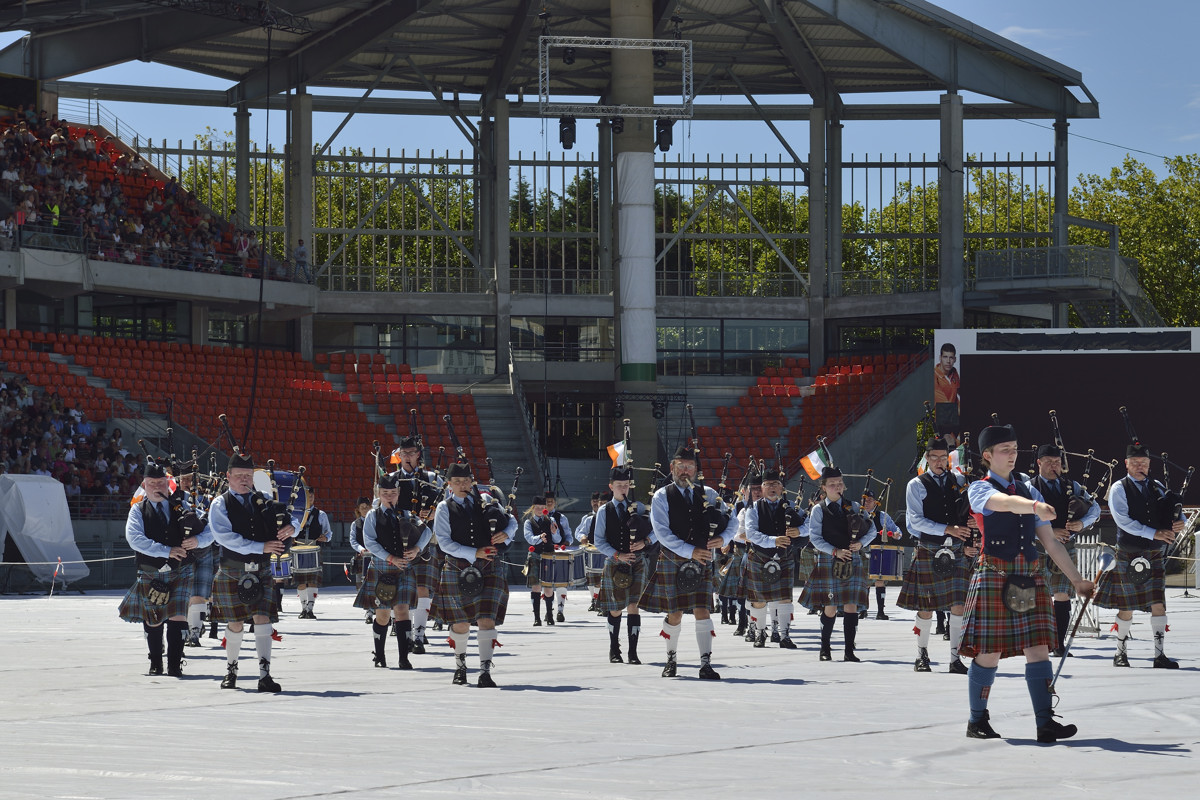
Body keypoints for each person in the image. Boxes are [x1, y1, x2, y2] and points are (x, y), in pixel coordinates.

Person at [961, 424, 1094, 743]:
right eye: (1004, 450)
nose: (1012, 455)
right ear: (987, 455)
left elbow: (1050, 541)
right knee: (989, 653)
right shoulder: (979, 489)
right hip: (994, 573)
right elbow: (1002, 503)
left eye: (1014, 448)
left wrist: (1077, 580)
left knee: (1038, 649)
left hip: (1027, 575)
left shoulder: (1028, 489)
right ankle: (977, 720)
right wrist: (1034, 506)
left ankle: (1045, 723)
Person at [644, 446, 739, 680]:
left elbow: (732, 520)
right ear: (672, 468)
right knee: (674, 613)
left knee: (703, 610)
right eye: (681, 466)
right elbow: (662, 533)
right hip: (673, 559)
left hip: (702, 560)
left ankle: (706, 664)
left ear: (696, 469)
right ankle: (671, 659)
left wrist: (724, 538)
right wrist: (691, 551)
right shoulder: (661, 496)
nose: (685, 471)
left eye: (689, 466)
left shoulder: (709, 493)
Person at [207, 451, 296, 692]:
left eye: (248, 475)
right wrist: (261, 546)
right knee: (235, 623)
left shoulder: (264, 499)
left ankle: (265, 675)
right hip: (233, 569)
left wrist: (291, 528)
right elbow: (225, 538)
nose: (244, 480)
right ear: (228, 476)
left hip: (262, 569)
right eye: (239, 476)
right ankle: (231, 670)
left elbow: (289, 518)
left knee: (263, 620)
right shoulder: (220, 504)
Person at [1095, 441, 1185, 669]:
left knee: (1158, 605)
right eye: (1135, 462)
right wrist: (1154, 533)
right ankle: (1120, 653)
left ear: (1149, 464)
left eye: (1143, 462)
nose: (1139, 466)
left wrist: (1180, 522)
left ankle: (1159, 655)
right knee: (1126, 607)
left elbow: (1173, 507)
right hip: (1130, 552)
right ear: (1126, 464)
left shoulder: (1157, 486)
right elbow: (1123, 521)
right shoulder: (1119, 488)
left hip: (1154, 553)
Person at [118, 458, 210, 676]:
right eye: (152, 483)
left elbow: (210, 530)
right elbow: (134, 539)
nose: (157, 487)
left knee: (178, 615)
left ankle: (175, 665)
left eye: (161, 482)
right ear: (144, 485)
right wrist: (166, 551)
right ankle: (155, 662)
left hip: (181, 569)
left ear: (168, 484)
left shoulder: (183, 505)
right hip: (151, 569)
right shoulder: (138, 510)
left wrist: (197, 541)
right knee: (153, 617)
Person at [431, 461, 517, 687]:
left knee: (486, 620)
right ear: (449, 484)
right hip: (457, 567)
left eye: (466, 481)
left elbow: (512, 521)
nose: (462, 485)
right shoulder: (444, 508)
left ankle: (485, 672)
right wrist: (473, 552)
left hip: (489, 566)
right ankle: (460, 667)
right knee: (460, 624)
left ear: (472, 482)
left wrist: (506, 533)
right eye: (457, 481)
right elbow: (444, 542)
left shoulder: (485, 499)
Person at [897, 438, 979, 674]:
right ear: (927, 458)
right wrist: (948, 529)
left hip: (957, 550)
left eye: (944, 458)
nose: (940, 462)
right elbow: (915, 521)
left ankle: (955, 658)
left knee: (959, 605)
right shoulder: (916, 484)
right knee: (926, 607)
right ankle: (921, 655)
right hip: (929, 548)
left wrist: (973, 521)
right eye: (935, 457)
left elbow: (967, 512)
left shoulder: (960, 481)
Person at [1025, 444, 1101, 656]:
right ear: (1039, 463)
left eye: (1057, 462)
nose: (1053, 466)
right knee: (1037, 597)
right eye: (1048, 462)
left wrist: (1081, 524)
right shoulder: (1028, 487)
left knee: (1062, 595)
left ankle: (1058, 643)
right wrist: (1049, 532)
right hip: (1037, 547)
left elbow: (1094, 509)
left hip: (1065, 546)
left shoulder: (1072, 486)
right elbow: (1019, 520)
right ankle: (1038, 642)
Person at [800, 467, 878, 661]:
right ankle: (825, 649)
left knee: (851, 606)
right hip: (830, 558)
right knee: (830, 606)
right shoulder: (818, 509)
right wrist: (835, 551)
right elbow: (815, 538)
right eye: (832, 484)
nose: (837, 487)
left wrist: (861, 544)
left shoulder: (854, 506)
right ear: (824, 487)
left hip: (852, 558)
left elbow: (872, 530)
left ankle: (849, 651)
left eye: (840, 484)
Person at [361, 473, 432, 669]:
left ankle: (404, 658)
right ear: (378, 493)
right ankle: (380, 655)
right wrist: (390, 558)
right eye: (385, 493)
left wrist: (417, 549)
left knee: (402, 611)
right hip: (382, 567)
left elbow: (427, 531)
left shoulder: (407, 514)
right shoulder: (372, 515)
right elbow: (369, 542)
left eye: (393, 492)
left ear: (399, 493)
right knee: (383, 615)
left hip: (403, 568)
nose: (389, 496)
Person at [593, 467, 656, 664]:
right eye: (619, 485)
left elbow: (656, 531)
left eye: (626, 485)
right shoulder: (604, 511)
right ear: (611, 487)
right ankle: (614, 649)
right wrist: (617, 554)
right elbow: (598, 540)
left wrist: (645, 542)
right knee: (615, 608)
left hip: (637, 561)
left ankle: (633, 652)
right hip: (615, 562)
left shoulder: (640, 508)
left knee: (634, 605)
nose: (623, 489)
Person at [743, 468, 806, 649]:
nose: (772, 487)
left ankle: (785, 636)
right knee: (759, 600)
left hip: (784, 557)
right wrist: (774, 540)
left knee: (785, 598)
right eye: (768, 484)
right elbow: (751, 533)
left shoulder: (792, 506)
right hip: (760, 557)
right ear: (762, 488)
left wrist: (799, 531)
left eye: (776, 484)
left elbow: (810, 525)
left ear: (781, 487)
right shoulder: (753, 508)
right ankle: (760, 633)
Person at [390, 437, 442, 653]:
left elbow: (445, 507)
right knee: (402, 591)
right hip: (397, 542)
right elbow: (380, 507)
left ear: (418, 454)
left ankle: (419, 636)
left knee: (422, 589)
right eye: (404, 453)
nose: (408, 456)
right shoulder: (391, 479)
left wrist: (434, 512)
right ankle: (407, 633)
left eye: (412, 452)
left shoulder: (432, 479)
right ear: (399, 455)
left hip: (425, 539)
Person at [859, 489, 902, 621]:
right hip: (862, 550)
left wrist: (896, 534)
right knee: (864, 582)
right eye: (864, 500)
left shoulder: (882, 516)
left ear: (875, 502)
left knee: (880, 581)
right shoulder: (858, 514)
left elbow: (897, 531)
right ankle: (863, 610)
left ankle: (880, 612)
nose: (867, 503)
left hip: (878, 551)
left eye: (870, 500)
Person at [523, 495, 564, 626]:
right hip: (535, 556)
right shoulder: (528, 522)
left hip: (548, 556)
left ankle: (550, 616)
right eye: (537, 507)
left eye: (542, 507)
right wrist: (540, 538)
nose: (540, 510)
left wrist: (554, 532)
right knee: (536, 587)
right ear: (533, 508)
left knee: (548, 588)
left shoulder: (551, 520)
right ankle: (537, 618)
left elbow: (558, 540)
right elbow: (529, 539)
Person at [294, 500, 332, 619]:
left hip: (314, 550)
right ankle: (303, 609)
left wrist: (325, 538)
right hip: (298, 549)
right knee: (300, 581)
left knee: (312, 581)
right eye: (307, 496)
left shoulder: (321, 514)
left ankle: (310, 609)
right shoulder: (295, 512)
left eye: (311, 496)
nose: (309, 498)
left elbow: (328, 533)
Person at [574, 491, 605, 612]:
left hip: (606, 551)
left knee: (602, 579)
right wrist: (582, 537)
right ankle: (594, 600)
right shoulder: (588, 518)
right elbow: (579, 532)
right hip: (592, 551)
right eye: (594, 501)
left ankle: (599, 601)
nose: (597, 504)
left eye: (599, 502)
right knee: (591, 579)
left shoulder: (611, 517)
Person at [349, 496, 374, 623]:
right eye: (362, 508)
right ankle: (368, 612)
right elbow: (353, 540)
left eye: (367, 507)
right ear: (358, 510)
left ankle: (377, 609)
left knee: (375, 584)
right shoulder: (355, 524)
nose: (365, 509)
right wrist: (361, 549)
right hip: (361, 557)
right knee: (362, 585)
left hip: (375, 556)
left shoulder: (376, 521)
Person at [933, 342, 960, 446]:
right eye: (945, 357)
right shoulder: (934, 377)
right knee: (949, 445)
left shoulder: (954, 373)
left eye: (951, 357)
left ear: (955, 359)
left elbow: (958, 393)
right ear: (940, 358)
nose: (948, 361)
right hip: (943, 420)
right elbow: (946, 405)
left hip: (955, 418)